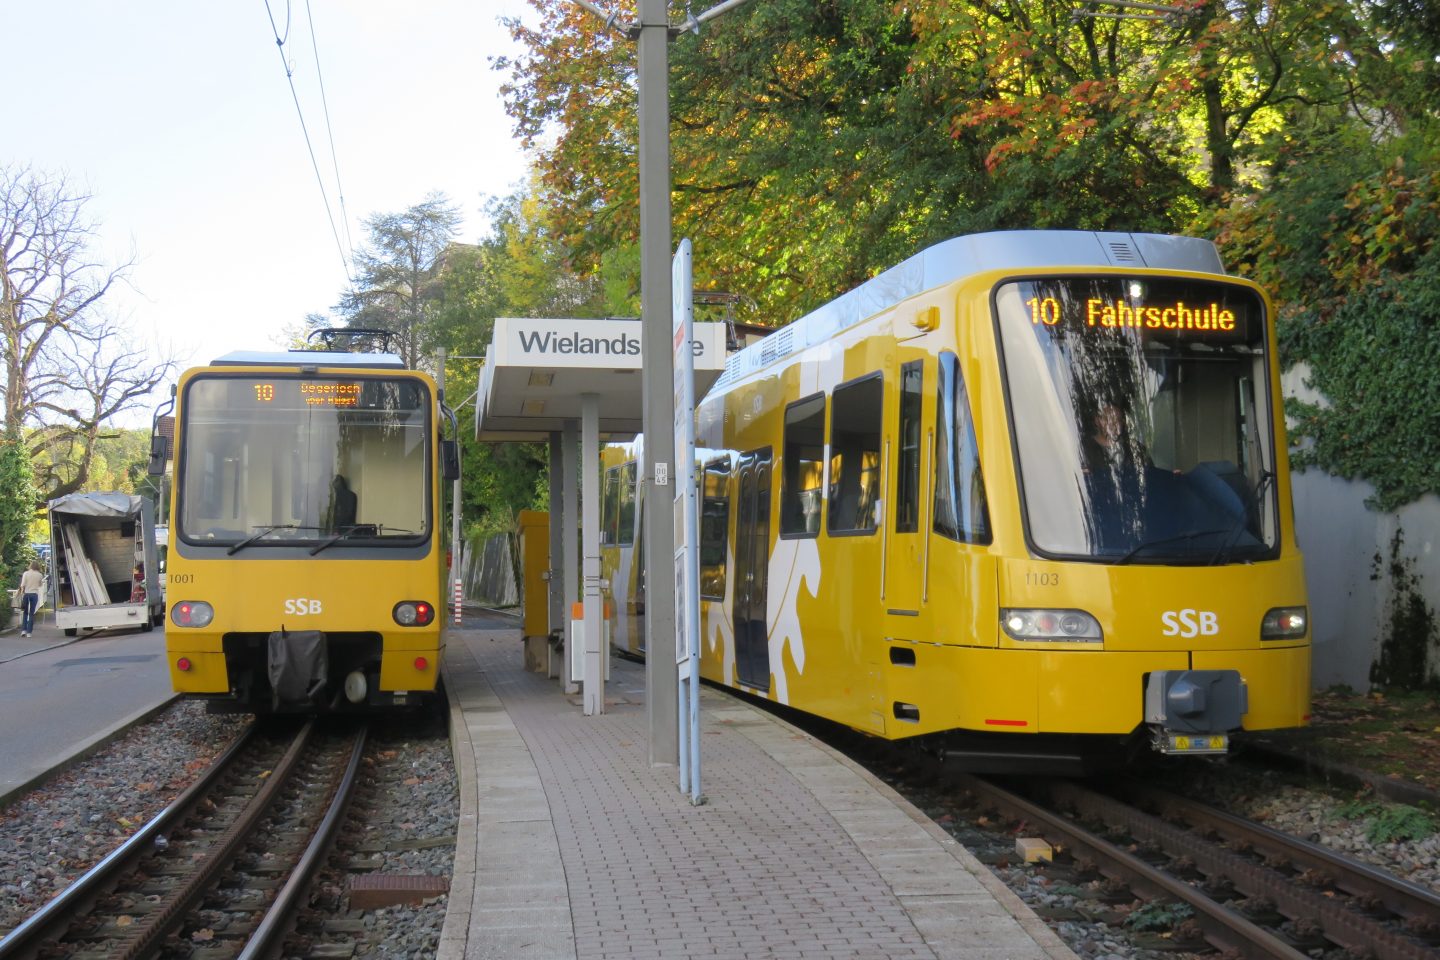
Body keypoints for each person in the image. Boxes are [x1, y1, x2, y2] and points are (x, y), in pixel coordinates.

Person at [17, 561, 43, 638]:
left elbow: (22, 585)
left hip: (26, 594)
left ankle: (23, 631)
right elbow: (40, 585)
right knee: (31, 613)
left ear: (30, 566)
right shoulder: (39, 575)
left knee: (25, 613)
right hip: (34, 594)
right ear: (38, 566)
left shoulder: (26, 573)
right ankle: (29, 633)